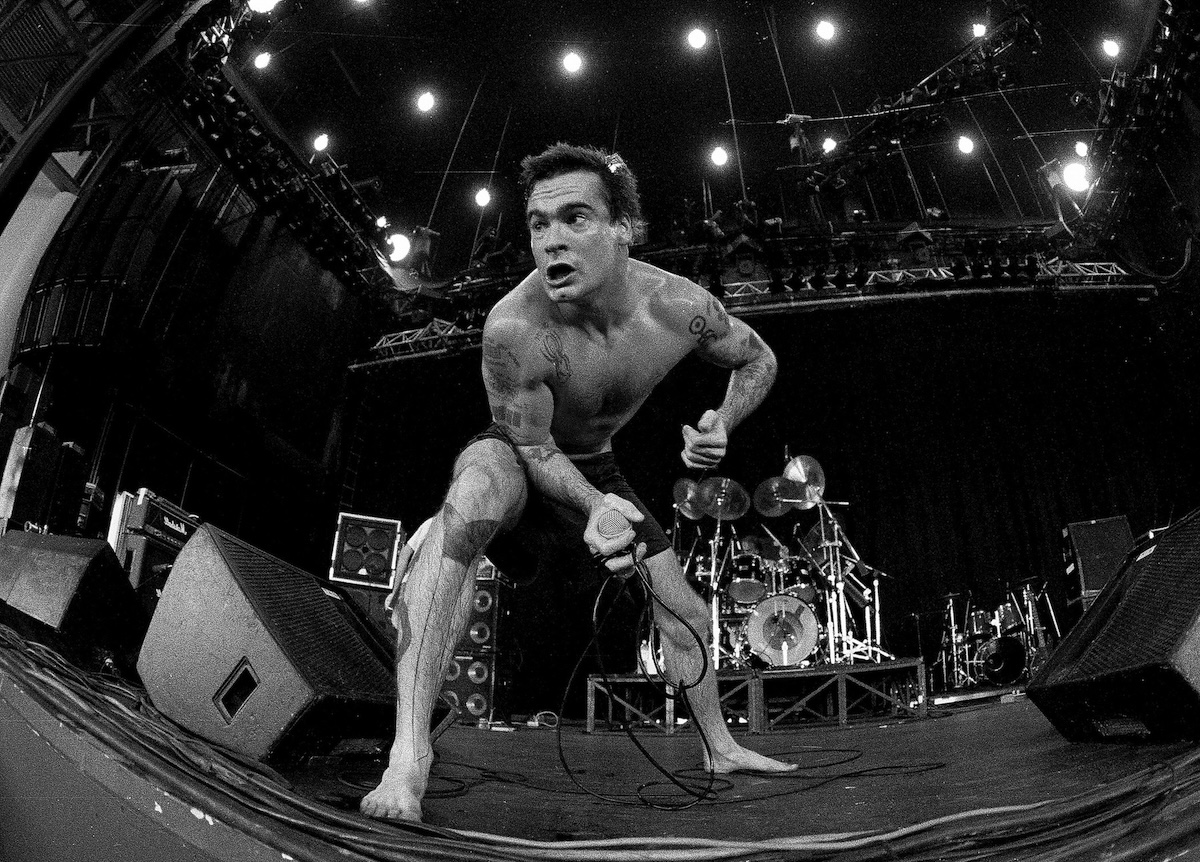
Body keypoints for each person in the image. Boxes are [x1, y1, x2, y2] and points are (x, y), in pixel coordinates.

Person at [361, 142, 794, 822]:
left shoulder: (678, 307)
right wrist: (595, 507)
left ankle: (720, 746)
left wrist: (725, 421)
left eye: (576, 218)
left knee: (687, 611)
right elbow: (530, 443)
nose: (552, 241)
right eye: (538, 225)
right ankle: (408, 755)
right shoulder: (514, 327)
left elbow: (758, 356)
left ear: (625, 229)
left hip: (596, 462)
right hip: (521, 453)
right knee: (470, 500)